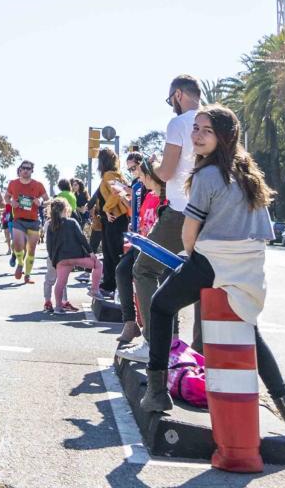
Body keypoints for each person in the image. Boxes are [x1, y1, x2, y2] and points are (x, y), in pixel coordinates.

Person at [132, 104, 285, 440]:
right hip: (250, 268)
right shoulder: (249, 174)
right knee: (249, 334)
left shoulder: (207, 175)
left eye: (206, 130)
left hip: (212, 262)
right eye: (195, 129)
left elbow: (190, 232)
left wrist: (189, 258)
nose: (197, 136)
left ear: (224, 137)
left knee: (160, 305)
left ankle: (156, 391)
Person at [120, 75, 200, 363]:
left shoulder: (179, 124)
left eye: (170, 101)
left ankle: (156, 345)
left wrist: (153, 163)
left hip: (181, 212)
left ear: (178, 95)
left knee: (144, 269)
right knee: (204, 281)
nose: (171, 107)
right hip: (211, 213)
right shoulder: (214, 119)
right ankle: (201, 353)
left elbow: (165, 173)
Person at [114, 151, 154, 343]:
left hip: (154, 241)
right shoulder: (138, 186)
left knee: (144, 279)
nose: (132, 172)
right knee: (122, 271)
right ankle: (130, 323)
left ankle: (150, 330)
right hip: (139, 238)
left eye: (134, 168)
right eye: (129, 169)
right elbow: (136, 210)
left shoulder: (155, 184)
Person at [43, 197, 94, 314]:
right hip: (62, 256)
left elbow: (48, 243)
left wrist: (52, 256)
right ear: (66, 209)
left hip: (53, 256)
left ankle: (48, 301)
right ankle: (62, 302)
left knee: (51, 280)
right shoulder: (69, 222)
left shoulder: (49, 223)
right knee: (62, 281)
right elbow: (81, 237)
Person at [93, 149, 130, 295]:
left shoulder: (109, 175)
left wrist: (107, 209)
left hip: (114, 219)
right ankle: (111, 285)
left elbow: (117, 193)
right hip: (116, 219)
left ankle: (111, 286)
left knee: (112, 253)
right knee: (111, 252)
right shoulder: (116, 174)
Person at [5, 161, 48, 283]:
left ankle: (27, 274)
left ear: (32, 171)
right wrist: (11, 202)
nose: (25, 170)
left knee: (31, 249)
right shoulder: (13, 183)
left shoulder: (38, 185)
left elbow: (47, 199)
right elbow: (6, 197)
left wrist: (40, 202)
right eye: (23, 168)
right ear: (20, 169)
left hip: (34, 221)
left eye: (28, 169)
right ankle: (19, 263)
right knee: (18, 245)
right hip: (18, 220)